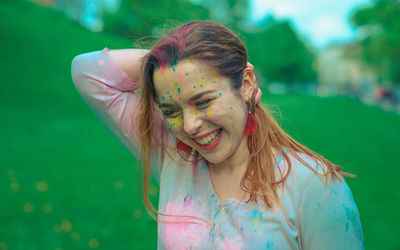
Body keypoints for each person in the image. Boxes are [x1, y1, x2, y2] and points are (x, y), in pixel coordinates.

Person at [71, 21, 364, 249]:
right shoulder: (175, 155)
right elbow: (88, 72)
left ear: (246, 83)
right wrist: (168, 63)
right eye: (171, 111)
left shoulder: (315, 187)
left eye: (203, 101)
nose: (189, 126)